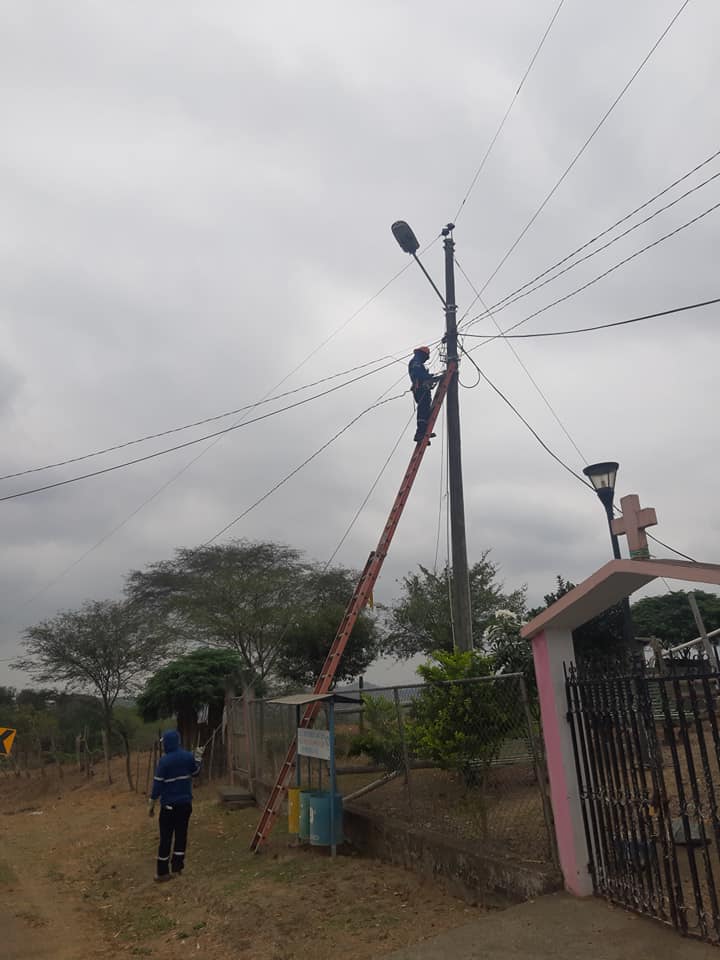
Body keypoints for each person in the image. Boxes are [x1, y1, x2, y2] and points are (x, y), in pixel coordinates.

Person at [148, 730, 203, 882]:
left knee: (166, 838)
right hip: (185, 805)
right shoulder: (188, 757)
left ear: (167, 743)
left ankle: (162, 872)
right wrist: (198, 758)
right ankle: (177, 868)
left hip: (168, 807)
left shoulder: (164, 761)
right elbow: (196, 772)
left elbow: (157, 785)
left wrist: (151, 804)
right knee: (181, 836)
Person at [408, 346, 441, 443]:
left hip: (423, 389)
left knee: (426, 410)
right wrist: (431, 377)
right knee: (423, 410)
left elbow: (421, 375)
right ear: (422, 354)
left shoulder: (417, 362)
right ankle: (420, 433)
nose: (426, 360)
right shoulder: (416, 362)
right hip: (420, 389)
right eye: (426, 357)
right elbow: (419, 374)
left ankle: (424, 432)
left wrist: (431, 377)